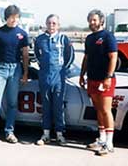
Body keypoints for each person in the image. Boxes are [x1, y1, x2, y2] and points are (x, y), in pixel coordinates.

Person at [0, 5, 29, 146]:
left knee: (12, 103)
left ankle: (9, 132)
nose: (14, 19)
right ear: (6, 17)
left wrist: (25, 73)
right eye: (11, 17)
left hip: (15, 70)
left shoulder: (22, 34)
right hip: (0, 70)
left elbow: (25, 55)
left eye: (16, 17)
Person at [79, 9, 118, 155]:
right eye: (90, 20)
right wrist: (82, 74)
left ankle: (109, 143)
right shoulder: (89, 38)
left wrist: (108, 77)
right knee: (98, 110)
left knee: (106, 110)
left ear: (101, 21)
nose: (91, 23)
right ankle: (101, 139)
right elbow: (87, 58)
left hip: (105, 79)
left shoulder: (108, 37)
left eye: (94, 20)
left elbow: (113, 57)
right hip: (92, 78)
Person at [34, 14, 75, 146]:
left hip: (59, 76)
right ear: (46, 24)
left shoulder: (63, 39)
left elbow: (70, 55)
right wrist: (44, 67)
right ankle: (45, 134)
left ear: (58, 25)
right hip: (45, 76)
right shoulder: (40, 39)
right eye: (49, 23)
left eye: (54, 23)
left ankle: (59, 134)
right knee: (45, 105)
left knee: (58, 105)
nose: (51, 26)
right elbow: (37, 54)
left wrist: (62, 69)